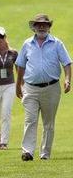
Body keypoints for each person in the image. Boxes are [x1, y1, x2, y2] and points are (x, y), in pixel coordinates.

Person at [15, 14, 71, 161]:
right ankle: (27, 152)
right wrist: (18, 85)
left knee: (49, 123)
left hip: (51, 88)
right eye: (38, 24)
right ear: (33, 27)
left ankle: (45, 154)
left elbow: (66, 63)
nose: (41, 27)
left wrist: (67, 79)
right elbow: (20, 65)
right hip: (30, 88)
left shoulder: (57, 43)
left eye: (44, 24)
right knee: (30, 120)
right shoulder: (27, 44)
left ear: (49, 27)